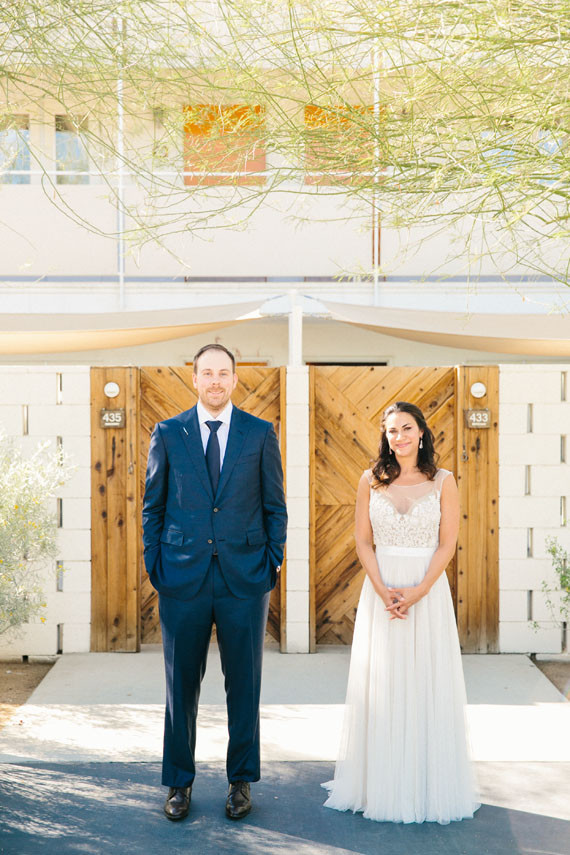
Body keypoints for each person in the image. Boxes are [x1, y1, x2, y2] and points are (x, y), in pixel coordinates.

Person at [142, 343, 287, 822]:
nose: (216, 381)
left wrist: (272, 563)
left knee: (243, 686)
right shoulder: (168, 432)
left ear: (236, 378)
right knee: (179, 687)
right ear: (195, 378)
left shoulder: (261, 433)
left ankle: (240, 782)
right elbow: (153, 506)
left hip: (245, 580)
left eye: (224, 372)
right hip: (181, 578)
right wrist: (155, 566)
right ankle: (178, 784)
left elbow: (275, 507)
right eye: (208, 373)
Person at [323, 401, 479, 824]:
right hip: (382, 591)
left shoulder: (444, 481)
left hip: (426, 592)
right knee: (385, 683)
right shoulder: (369, 481)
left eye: (406, 428)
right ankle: (381, 781)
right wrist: (384, 591)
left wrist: (419, 591)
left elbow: (448, 543)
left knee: (427, 680)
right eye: (392, 431)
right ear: (385, 438)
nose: (400, 437)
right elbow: (362, 542)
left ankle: (426, 782)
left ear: (422, 433)